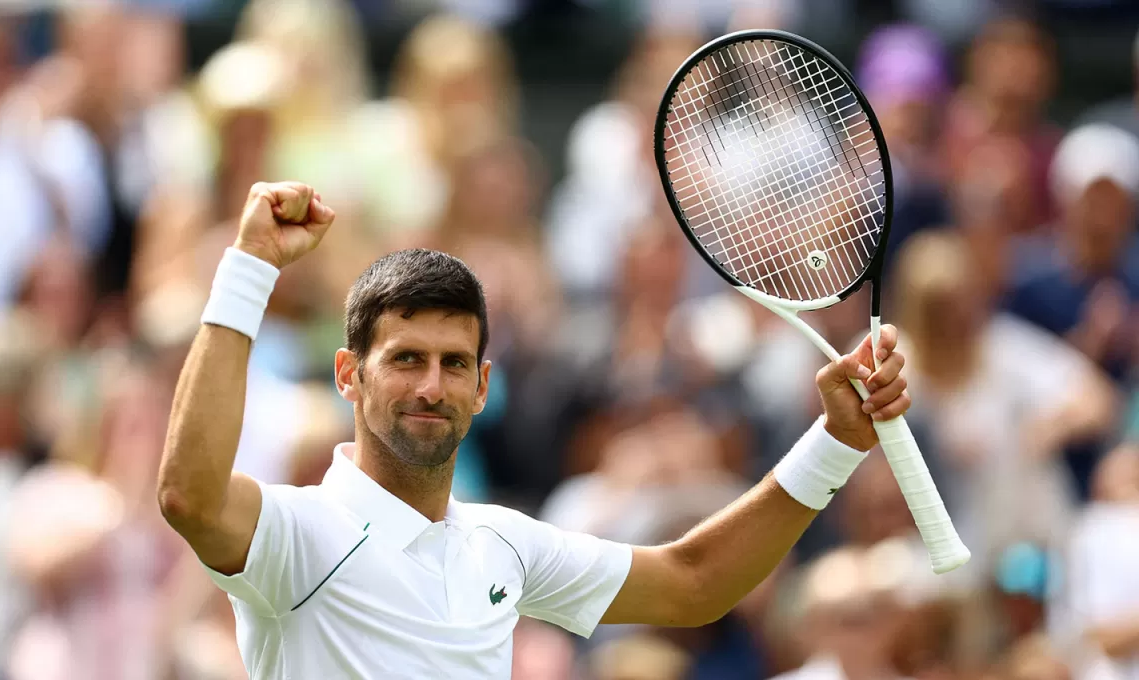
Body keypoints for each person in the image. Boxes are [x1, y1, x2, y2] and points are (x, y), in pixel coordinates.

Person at [156, 182, 914, 678]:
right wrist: (252, 265)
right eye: (406, 359)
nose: (431, 385)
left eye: (455, 364)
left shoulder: (505, 546)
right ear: (349, 375)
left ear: (484, 387)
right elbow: (189, 495)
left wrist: (839, 439)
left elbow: (694, 583)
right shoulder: (298, 533)